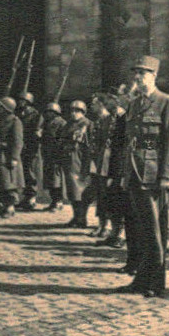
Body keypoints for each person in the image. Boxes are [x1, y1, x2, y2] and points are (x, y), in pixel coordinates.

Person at [117, 56, 169, 298]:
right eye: (136, 73)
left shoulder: (167, 102)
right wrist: (125, 174)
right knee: (141, 230)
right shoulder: (135, 104)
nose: (138, 78)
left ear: (154, 76)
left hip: (153, 175)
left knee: (155, 231)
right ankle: (141, 279)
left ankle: (155, 281)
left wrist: (167, 174)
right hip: (135, 173)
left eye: (143, 74)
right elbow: (130, 143)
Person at [101, 88, 131, 249]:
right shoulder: (122, 119)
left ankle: (122, 236)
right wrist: (112, 172)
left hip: (131, 167)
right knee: (113, 200)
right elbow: (116, 146)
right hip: (118, 167)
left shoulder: (130, 118)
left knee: (126, 203)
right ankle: (115, 233)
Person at [0, 97, 25, 218]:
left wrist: (14, 158)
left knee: (8, 183)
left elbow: (18, 142)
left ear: (7, 109)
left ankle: (9, 208)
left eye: (0, 107)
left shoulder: (15, 121)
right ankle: (4, 207)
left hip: (7, 156)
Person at [58, 100, 93, 228]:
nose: (73, 113)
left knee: (81, 191)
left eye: (77, 111)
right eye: (72, 110)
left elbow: (90, 145)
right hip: (68, 159)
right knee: (72, 191)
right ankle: (76, 217)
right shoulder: (68, 124)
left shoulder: (87, 124)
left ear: (83, 112)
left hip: (80, 159)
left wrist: (87, 164)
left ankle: (82, 218)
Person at [87, 93, 114, 237]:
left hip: (106, 163)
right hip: (97, 162)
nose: (91, 106)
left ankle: (108, 226)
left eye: (94, 103)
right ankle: (101, 224)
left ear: (102, 105)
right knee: (98, 194)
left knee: (106, 195)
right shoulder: (98, 120)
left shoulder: (111, 120)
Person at [15, 92, 43, 211]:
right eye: (20, 100)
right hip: (21, 146)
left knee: (30, 171)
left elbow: (37, 131)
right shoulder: (18, 113)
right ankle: (24, 198)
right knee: (22, 172)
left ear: (28, 102)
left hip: (31, 146)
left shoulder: (36, 115)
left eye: (23, 100)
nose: (20, 102)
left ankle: (31, 198)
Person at [40, 102, 67, 212]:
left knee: (56, 179)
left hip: (57, 155)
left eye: (50, 112)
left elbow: (62, 138)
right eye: (47, 112)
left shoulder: (61, 123)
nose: (48, 114)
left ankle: (58, 201)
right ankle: (53, 200)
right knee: (49, 179)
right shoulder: (47, 123)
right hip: (48, 153)